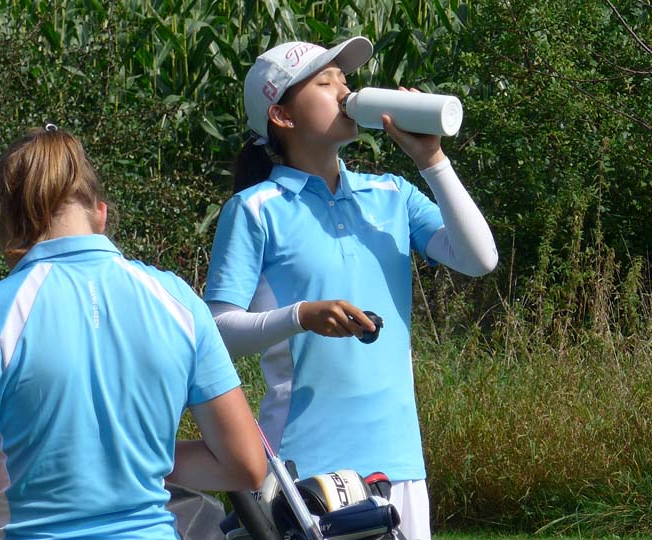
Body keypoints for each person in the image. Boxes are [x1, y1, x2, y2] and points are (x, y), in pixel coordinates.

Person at [203, 38, 498, 540]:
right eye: (325, 82)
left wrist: (432, 160)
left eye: (344, 79)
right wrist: (301, 316)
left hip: (398, 461)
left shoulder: (391, 194)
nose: (344, 90)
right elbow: (217, 331)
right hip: (304, 470)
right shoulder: (255, 209)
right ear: (282, 116)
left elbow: (480, 258)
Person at [0, 125, 266, 539]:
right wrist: (133, 458)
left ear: (10, 232)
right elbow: (246, 465)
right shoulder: (177, 299)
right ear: (100, 213)